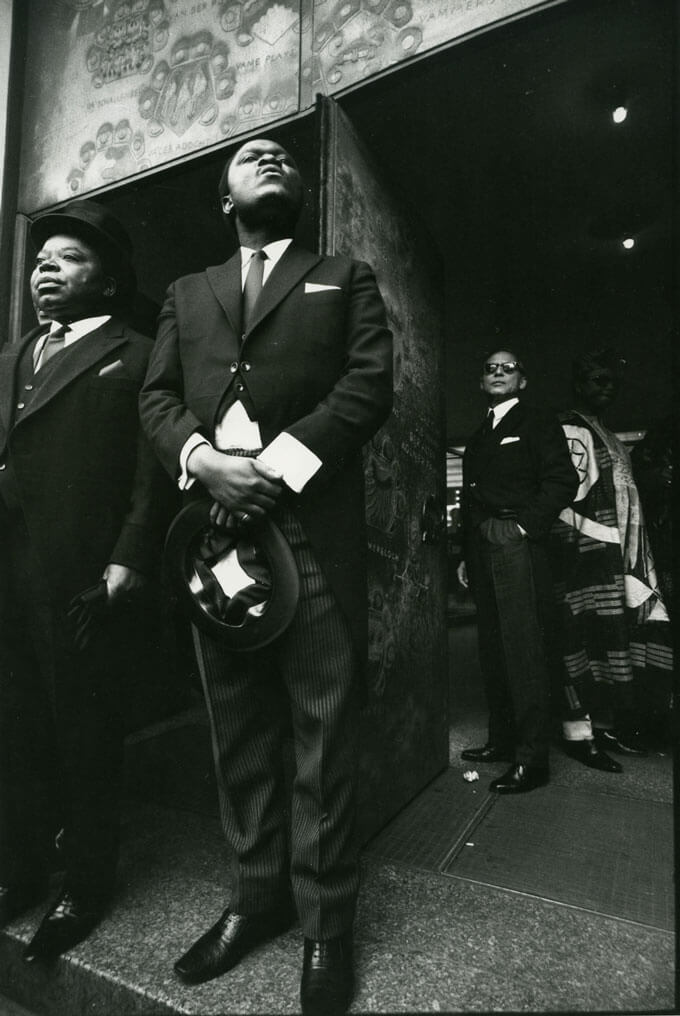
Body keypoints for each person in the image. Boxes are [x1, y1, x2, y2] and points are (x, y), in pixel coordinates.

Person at [139, 138, 393, 1015]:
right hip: (213, 534)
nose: (271, 157)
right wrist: (203, 460)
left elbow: (370, 382)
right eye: (252, 155)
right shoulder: (187, 293)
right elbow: (156, 398)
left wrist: (275, 467)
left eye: (284, 153)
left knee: (322, 730)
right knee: (237, 729)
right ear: (225, 195)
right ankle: (257, 899)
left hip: (307, 529)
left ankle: (326, 923)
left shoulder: (343, 275)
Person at [0, 200, 170, 961]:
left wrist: (129, 555)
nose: (46, 267)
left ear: (109, 282)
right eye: (42, 259)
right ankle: (23, 869)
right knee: (15, 727)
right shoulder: (14, 358)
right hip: (8, 574)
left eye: (69, 258)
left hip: (82, 579)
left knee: (84, 731)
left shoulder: (137, 353)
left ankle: (87, 882)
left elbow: (152, 472)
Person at [457, 349, 578, 793]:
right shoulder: (479, 433)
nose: (498, 372)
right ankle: (502, 741)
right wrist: (466, 556)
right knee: (492, 645)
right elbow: (471, 499)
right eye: (490, 367)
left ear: (522, 381)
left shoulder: (537, 421)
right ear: (482, 380)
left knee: (523, 648)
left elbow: (564, 480)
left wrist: (523, 527)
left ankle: (533, 760)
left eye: (509, 368)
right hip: (482, 544)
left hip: (516, 539)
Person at [549, 349, 672, 763]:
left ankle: (609, 727)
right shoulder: (570, 427)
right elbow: (568, 497)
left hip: (624, 556)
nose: (607, 388)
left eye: (611, 382)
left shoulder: (609, 434)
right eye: (598, 380)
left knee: (621, 638)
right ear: (580, 384)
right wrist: (593, 552)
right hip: (590, 556)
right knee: (586, 640)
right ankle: (582, 734)